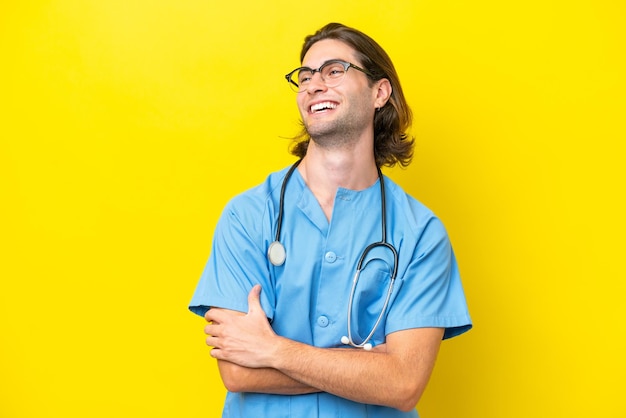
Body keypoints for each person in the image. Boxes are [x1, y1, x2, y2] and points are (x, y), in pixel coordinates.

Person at [189, 22, 472, 418]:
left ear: (379, 92)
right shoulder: (248, 216)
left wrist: (273, 350)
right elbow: (237, 371)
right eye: (305, 76)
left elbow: (404, 384)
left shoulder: (421, 234)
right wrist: (371, 370)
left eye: (334, 70)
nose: (313, 84)